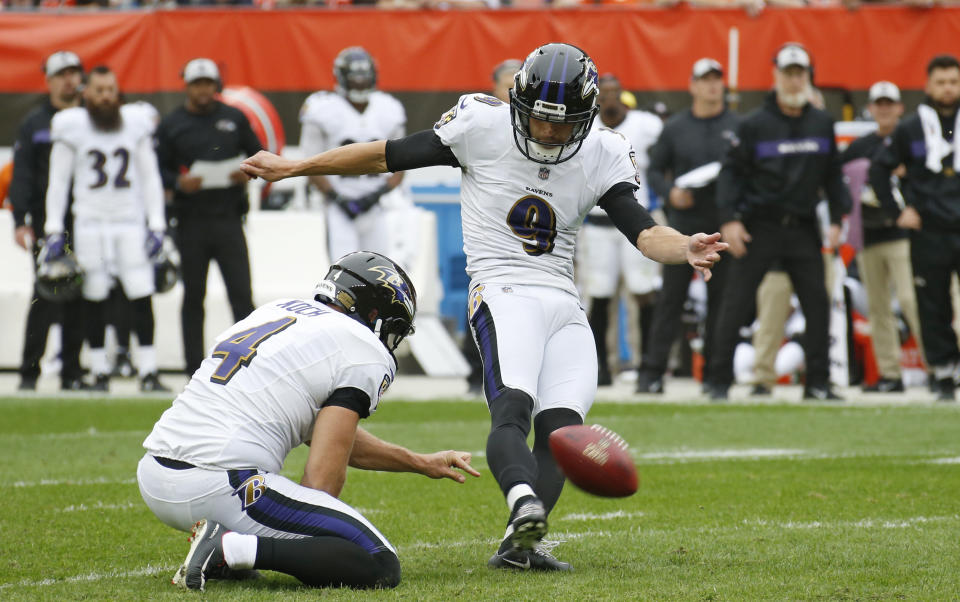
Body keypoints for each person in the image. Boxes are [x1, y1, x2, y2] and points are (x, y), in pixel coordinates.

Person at [240, 42, 726, 571]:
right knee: (513, 408)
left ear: (586, 117)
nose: (547, 132)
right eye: (540, 118)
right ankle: (523, 506)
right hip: (501, 288)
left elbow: (643, 229)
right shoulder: (482, 126)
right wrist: (295, 167)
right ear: (519, 103)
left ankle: (521, 548)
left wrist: (684, 247)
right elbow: (385, 154)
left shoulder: (603, 150)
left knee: (565, 430)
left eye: (562, 124)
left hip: (562, 298)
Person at [137, 251, 480, 591]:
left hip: (155, 475)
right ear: (374, 313)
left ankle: (231, 542)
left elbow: (326, 432)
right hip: (223, 482)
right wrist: (310, 542)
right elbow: (322, 477)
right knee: (378, 561)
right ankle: (228, 548)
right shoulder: (363, 348)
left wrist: (420, 462)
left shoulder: (275, 310)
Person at [710, 43, 850, 401]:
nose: (793, 80)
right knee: (737, 302)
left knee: (817, 304)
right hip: (761, 225)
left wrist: (838, 215)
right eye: (787, 73)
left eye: (799, 73)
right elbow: (731, 174)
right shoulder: (754, 124)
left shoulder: (822, 122)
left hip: (803, 226)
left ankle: (817, 382)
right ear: (776, 76)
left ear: (808, 77)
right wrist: (730, 219)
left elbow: (834, 175)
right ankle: (718, 380)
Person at [42, 65, 169, 392]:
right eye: (99, 90)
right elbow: (58, 182)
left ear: (118, 91)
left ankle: (149, 370)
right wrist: (53, 228)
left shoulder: (135, 123)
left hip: (129, 220)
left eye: (110, 90)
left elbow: (150, 176)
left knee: (141, 292)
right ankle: (99, 370)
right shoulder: (72, 125)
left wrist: (156, 224)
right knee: (94, 294)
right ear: (87, 92)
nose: (105, 97)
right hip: (90, 221)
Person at [636, 58, 740, 394]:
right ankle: (652, 374)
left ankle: (716, 376)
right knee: (671, 300)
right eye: (704, 80)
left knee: (722, 304)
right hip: (682, 230)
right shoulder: (677, 127)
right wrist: (670, 193)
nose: (712, 86)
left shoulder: (738, 126)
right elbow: (653, 169)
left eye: (716, 79)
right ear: (693, 85)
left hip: (722, 227)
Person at [157, 58, 261, 376]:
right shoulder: (173, 124)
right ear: (187, 86)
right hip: (191, 221)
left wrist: (247, 171)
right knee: (193, 297)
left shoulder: (234, 117)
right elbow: (157, 169)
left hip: (229, 218)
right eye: (197, 83)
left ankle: (252, 364)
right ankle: (193, 367)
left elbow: (258, 153)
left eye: (208, 83)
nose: (203, 89)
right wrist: (178, 182)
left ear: (216, 85)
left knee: (242, 295)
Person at [870, 54, 960, 401]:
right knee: (932, 303)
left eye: (953, 81)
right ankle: (942, 371)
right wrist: (897, 212)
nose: (948, 89)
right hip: (930, 229)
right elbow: (879, 169)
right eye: (941, 82)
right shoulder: (910, 128)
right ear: (928, 85)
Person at [8, 50, 88, 391]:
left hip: (87, 220)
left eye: (73, 72)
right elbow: (23, 174)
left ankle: (71, 371)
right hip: (48, 223)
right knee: (45, 296)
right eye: (62, 74)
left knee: (81, 298)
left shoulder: (92, 118)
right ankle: (29, 372)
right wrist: (20, 221)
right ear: (50, 80)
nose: (69, 79)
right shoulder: (36, 122)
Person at [579, 74, 664, 386]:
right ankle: (601, 367)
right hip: (598, 224)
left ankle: (648, 366)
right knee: (599, 296)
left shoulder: (645, 125)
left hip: (638, 220)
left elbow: (666, 154)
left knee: (643, 291)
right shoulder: (586, 124)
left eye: (616, 92)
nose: (611, 98)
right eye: (606, 93)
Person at [842, 81, 921, 393]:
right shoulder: (859, 146)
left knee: (910, 300)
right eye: (880, 103)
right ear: (872, 108)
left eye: (890, 103)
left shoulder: (914, 140)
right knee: (878, 308)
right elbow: (839, 178)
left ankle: (941, 367)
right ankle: (890, 373)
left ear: (900, 107)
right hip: (870, 234)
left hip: (904, 234)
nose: (885, 109)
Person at [299, 47, 407, 262]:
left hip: (376, 206)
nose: (360, 84)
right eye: (355, 79)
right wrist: (337, 198)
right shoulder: (322, 109)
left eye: (364, 78)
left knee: (380, 272)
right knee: (343, 272)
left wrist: (374, 197)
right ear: (342, 78)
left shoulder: (388, 108)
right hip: (338, 206)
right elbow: (310, 163)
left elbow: (401, 165)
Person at [464, 57, 524, 396]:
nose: (516, 91)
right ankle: (476, 373)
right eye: (509, 84)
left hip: (532, 237)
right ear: (494, 88)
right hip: (490, 233)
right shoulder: (482, 124)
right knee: (482, 300)